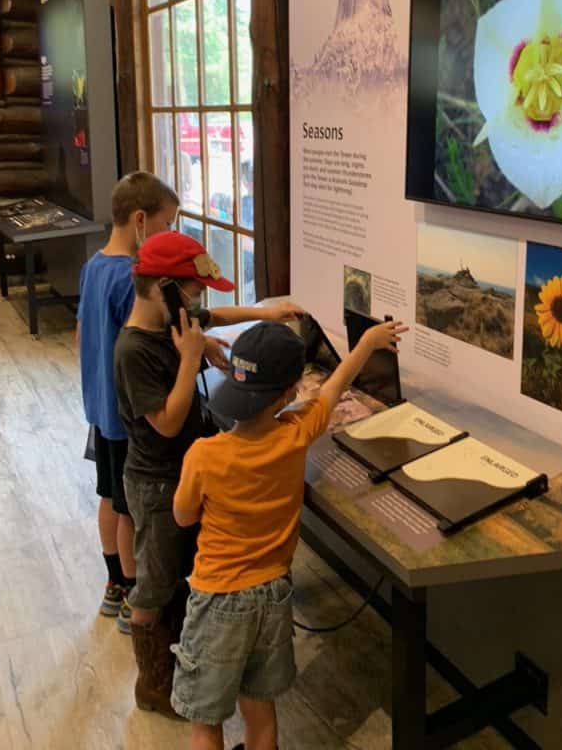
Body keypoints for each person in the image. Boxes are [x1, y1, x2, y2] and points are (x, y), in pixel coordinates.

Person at [170, 316, 407, 750]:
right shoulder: (297, 433)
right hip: (273, 595)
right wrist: (369, 342)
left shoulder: (204, 455)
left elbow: (183, 517)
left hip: (217, 599)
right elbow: (335, 386)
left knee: (206, 720)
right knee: (260, 707)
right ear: (289, 393)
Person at [113, 230, 301, 717]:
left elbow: (215, 316)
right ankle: (152, 685)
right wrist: (192, 358)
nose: (197, 301)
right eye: (192, 290)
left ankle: (181, 666)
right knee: (153, 586)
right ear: (164, 287)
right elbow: (168, 419)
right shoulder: (134, 350)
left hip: (181, 474)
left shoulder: (170, 321)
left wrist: (264, 313)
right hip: (156, 484)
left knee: (177, 573)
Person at [77, 171, 181, 633]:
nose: (169, 233)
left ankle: (113, 585)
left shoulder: (94, 265)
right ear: (140, 220)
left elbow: (83, 333)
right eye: (167, 222)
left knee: (107, 497)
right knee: (128, 510)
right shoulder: (128, 278)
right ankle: (133, 594)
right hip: (124, 418)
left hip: (98, 410)